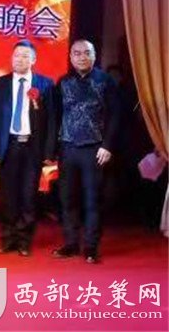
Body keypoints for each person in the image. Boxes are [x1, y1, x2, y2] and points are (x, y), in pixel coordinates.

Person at [0, 40, 56, 257]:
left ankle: (24, 240)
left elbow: (52, 121)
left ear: (33, 60)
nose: (20, 59)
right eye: (17, 55)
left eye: (25, 56)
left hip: (32, 148)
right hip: (8, 146)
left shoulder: (45, 84)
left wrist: (49, 152)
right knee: (8, 197)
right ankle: (8, 239)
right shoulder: (0, 84)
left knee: (28, 196)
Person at [53, 39, 120, 264]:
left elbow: (115, 115)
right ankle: (71, 243)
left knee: (93, 200)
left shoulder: (105, 81)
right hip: (68, 148)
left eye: (86, 53)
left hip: (94, 149)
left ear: (94, 55)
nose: (82, 57)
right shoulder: (63, 82)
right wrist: (54, 148)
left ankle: (91, 247)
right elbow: (56, 116)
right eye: (77, 53)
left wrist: (107, 145)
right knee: (67, 199)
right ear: (71, 57)